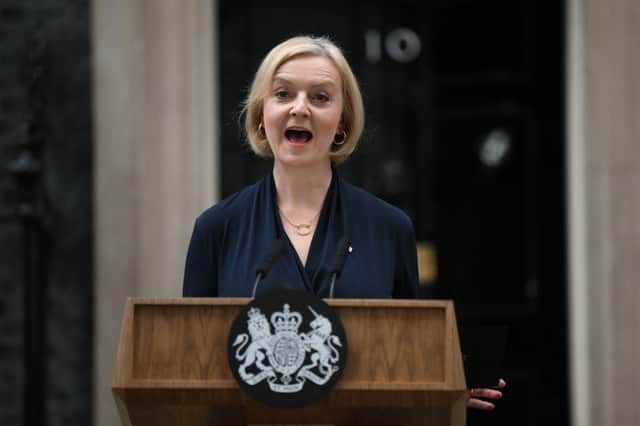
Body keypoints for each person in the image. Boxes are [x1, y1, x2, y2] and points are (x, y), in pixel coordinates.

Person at [182, 35, 505, 410]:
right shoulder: (217, 228)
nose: (299, 109)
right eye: (283, 94)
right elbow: (192, 364)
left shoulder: (389, 228)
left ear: (341, 122)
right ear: (260, 113)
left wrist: (443, 387)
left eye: (320, 97)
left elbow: (407, 359)